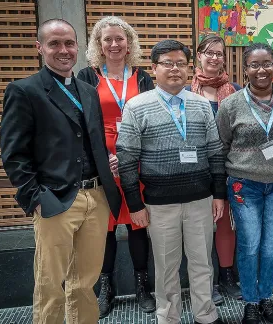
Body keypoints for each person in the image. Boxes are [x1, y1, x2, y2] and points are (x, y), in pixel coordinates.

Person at [0, 19, 121, 323]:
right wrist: (36, 198)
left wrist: (107, 164)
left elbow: (90, 140)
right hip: (55, 200)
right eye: (54, 43)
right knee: (50, 284)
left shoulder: (88, 90)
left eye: (69, 43)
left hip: (96, 197)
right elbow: (14, 154)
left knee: (85, 283)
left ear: (78, 47)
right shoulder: (24, 91)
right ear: (40, 48)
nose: (63, 50)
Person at [116, 40, 226, 324]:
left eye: (181, 63)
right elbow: (126, 158)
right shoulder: (136, 106)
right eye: (167, 63)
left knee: (203, 263)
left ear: (189, 68)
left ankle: (206, 315)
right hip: (159, 205)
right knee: (166, 267)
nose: (175, 69)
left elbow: (215, 152)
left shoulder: (201, 105)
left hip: (201, 200)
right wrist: (135, 203)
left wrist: (218, 194)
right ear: (154, 69)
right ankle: (168, 317)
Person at [77, 16, 155, 318]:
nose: (113, 44)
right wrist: (101, 158)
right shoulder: (87, 75)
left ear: (129, 42)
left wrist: (128, 157)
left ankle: (141, 286)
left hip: (136, 160)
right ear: (99, 44)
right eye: (107, 39)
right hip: (101, 163)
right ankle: (106, 288)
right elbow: (82, 123)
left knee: (138, 225)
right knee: (104, 229)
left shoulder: (143, 77)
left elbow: (151, 119)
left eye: (119, 38)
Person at [217, 42, 273, 324]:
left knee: (271, 245)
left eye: (267, 64)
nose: (261, 70)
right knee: (250, 244)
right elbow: (222, 143)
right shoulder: (230, 105)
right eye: (254, 65)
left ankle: (266, 297)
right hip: (245, 184)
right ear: (245, 69)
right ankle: (250, 302)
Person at [185, 35, 242, 304]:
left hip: (228, 168)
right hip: (196, 169)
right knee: (201, 227)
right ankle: (206, 281)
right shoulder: (185, 92)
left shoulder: (236, 90)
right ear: (198, 56)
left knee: (225, 224)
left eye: (219, 54)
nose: (214, 58)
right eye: (209, 52)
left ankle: (228, 275)